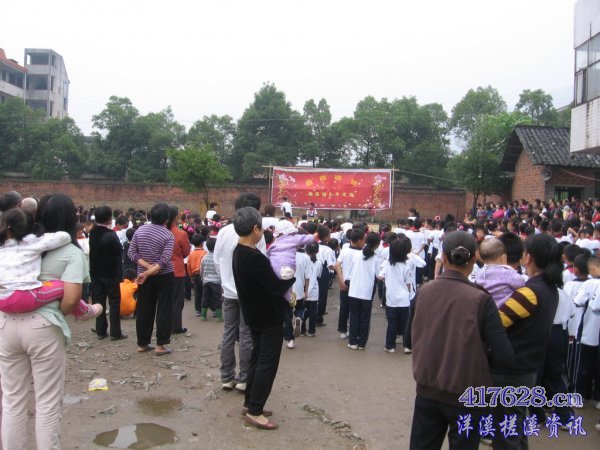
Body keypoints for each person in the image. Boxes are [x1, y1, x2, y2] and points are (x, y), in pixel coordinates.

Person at [408, 231, 513, 450]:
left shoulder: (425, 292)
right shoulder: (481, 299)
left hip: (427, 390)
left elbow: (409, 338)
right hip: (468, 394)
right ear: (474, 259)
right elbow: (504, 355)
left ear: (444, 258)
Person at [0, 193, 88, 449]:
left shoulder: (14, 243)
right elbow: (71, 299)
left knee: (12, 400)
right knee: (47, 402)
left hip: (6, 322)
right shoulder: (70, 251)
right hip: (43, 326)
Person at [492, 233, 562, 450]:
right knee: (516, 428)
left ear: (528, 257)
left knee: (507, 435)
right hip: (527, 367)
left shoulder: (529, 292)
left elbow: (495, 323)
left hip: (511, 372)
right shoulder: (549, 288)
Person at [231, 206, 295, 430]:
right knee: (267, 363)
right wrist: (290, 277)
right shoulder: (253, 257)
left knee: (257, 358)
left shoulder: (238, 251)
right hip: (268, 317)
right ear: (255, 229)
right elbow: (276, 287)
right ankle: (255, 411)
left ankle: (250, 403)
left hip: (254, 314)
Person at [0, 207, 102, 321]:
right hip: (24, 297)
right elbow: (65, 237)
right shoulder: (33, 241)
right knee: (66, 287)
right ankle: (85, 311)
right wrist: (40, 233)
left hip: (2, 300)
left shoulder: (2, 244)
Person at [215, 193, 265, 393]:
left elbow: (217, 260)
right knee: (246, 335)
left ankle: (226, 377)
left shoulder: (223, 232)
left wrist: (225, 281)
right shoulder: (255, 233)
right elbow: (261, 263)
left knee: (228, 333)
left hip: (228, 292)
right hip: (248, 293)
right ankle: (244, 378)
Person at [128, 202, 175, 356]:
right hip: (164, 276)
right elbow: (164, 260)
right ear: (167, 218)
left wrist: (146, 268)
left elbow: (132, 253)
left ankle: (142, 343)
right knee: (164, 309)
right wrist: (150, 270)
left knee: (144, 309)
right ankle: (160, 345)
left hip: (143, 276)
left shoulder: (140, 230)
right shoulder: (168, 235)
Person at [89, 206, 126, 340]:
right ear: (110, 219)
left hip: (96, 272)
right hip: (110, 273)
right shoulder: (110, 234)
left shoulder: (93, 232)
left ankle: (101, 331)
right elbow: (118, 250)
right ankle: (115, 332)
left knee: (99, 302)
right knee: (114, 302)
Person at [378, 238, 412, 353]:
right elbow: (408, 284)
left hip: (391, 299)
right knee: (405, 323)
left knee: (392, 323)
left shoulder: (388, 265)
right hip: (404, 299)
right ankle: (407, 346)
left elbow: (380, 276)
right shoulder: (406, 266)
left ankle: (390, 346)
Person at [347, 232, 380, 350]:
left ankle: (352, 342)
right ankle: (362, 343)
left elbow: (350, 271)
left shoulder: (357, 255)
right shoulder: (375, 258)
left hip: (354, 290)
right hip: (367, 292)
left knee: (354, 316)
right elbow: (378, 275)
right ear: (377, 245)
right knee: (365, 318)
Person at [474, 238, 527, 308]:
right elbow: (521, 282)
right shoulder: (507, 273)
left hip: (488, 309)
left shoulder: (480, 274)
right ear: (503, 257)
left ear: (482, 260)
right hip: (506, 309)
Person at [335, 228, 364, 339]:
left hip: (345, 281)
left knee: (344, 306)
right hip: (357, 282)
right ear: (360, 240)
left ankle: (342, 330)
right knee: (356, 309)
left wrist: (341, 280)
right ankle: (354, 332)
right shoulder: (362, 253)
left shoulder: (345, 251)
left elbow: (337, 265)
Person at [168, 206, 191, 334]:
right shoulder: (181, 234)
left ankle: (164, 324)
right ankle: (176, 326)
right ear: (175, 217)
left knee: (164, 300)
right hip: (177, 269)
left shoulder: (159, 232)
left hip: (159, 270)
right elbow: (186, 252)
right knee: (177, 300)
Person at [300, 243, 322, 337]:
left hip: (303, 290)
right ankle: (311, 331)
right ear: (317, 251)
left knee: (303, 311)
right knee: (313, 312)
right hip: (313, 291)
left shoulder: (303, 260)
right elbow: (319, 275)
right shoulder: (319, 263)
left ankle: (302, 330)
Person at [200, 238, 222, 321]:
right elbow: (220, 269)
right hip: (216, 282)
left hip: (206, 281)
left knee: (205, 297)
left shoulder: (204, 257)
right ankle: (219, 317)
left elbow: (201, 269)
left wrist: (202, 278)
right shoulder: (217, 258)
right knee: (217, 298)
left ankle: (203, 315)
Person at [187, 234, 207, 317]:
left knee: (197, 293)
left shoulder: (191, 254)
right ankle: (207, 308)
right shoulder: (205, 253)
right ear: (202, 243)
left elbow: (188, 266)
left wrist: (190, 275)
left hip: (195, 275)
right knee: (205, 292)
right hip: (203, 275)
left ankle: (198, 310)